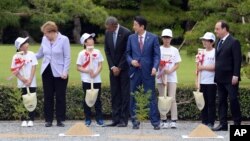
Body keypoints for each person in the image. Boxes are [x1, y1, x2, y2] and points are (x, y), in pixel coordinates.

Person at [126, 16, 161, 130]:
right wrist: (131, 61)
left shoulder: (153, 37)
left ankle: (155, 122)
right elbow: (127, 54)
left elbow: (156, 55)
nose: (133, 27)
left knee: (150, 97)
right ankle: (135, 122)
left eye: (135, 25)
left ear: (142, 26)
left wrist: (155, 67)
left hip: (148, 72)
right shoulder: (131, 38)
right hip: (135, 72)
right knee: (134, 96)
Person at [36, 21, 70, 127]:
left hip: (60, 72)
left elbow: (67, 57)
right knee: (48, 96)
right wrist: (27, 55)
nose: (45, 35)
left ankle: (60, 120)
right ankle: (48, 120)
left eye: (46, 33)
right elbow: (40, 54)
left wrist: (65, 71)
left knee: (60, 96)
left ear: (52, 31)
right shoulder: (44, 39)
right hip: (46, 71)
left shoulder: (64, 39)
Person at [212, 20, 242, 131]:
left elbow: (237, 60)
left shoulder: (234, 42)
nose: (216, 31)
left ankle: (237, 124)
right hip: (220, 77)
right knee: (221, 101)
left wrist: (236, 75)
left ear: (224, 29)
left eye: (217, 29)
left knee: (233, 100)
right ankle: (223, 124)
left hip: (230, 78)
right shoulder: (219, 42)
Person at [104, 16, 131, 127]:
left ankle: (123, 120)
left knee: (124, 94)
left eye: (109, 28)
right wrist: (112, 67)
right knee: (115, 94)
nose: (108, 30)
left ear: (115, 25)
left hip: (124, 69)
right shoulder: (107, 33)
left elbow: (127, 52)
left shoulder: (126, 33)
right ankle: (115, 119)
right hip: (113, 69)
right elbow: (107, 50)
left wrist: (119, 67)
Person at [76, 33, 104, 127]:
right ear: (85, 42)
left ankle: (99, 118)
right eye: (89, 39)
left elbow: (100, 65)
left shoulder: (98, 51)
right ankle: (87, 118)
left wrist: (96, 73)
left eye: (92, 38)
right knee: (87, 99)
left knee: (97, 99)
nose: (92, 40)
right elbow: (78, 67)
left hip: (96, 79)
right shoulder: (81, 53)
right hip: (86, 79)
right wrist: (87, 70)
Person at [156, 29, 181, 129]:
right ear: (162, 38)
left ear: (171, 38)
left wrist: (170, 71)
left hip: (172, 77)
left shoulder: (174, 50)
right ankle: (163, 119)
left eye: (168, 37)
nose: (166, 39)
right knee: (162, 98)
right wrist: (162, 69)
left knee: (172, 98)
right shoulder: (158, 49)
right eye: (165, 37)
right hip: (160, 77)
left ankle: (174, 120)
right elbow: (156, 62)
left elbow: (177, 64)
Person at [11, 37, 38, 127]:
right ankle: (23, 119)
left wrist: (30, 79)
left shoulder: (32, 54)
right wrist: (23, 79)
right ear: (20, 47)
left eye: (27, 42)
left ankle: (31, 119)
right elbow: (14, 70)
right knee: (23, 100)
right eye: (25, 43)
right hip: (21, 83)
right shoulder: (16, 56)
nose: (27, 44)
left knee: (31, 100)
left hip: (32, 82)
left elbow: (34, 67)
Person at [197, 32, 217, 129]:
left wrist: (203, 67)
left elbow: (215, 67)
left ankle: (211, 122)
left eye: (206, 40)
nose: (204, 42)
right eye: (203, 40)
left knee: (211, 102)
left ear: (212, 42)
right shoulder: (201, 52)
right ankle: (204, 121)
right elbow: (198, 67)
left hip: (211, 81)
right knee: (203, 102)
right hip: (202, 81)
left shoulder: (215, 52)